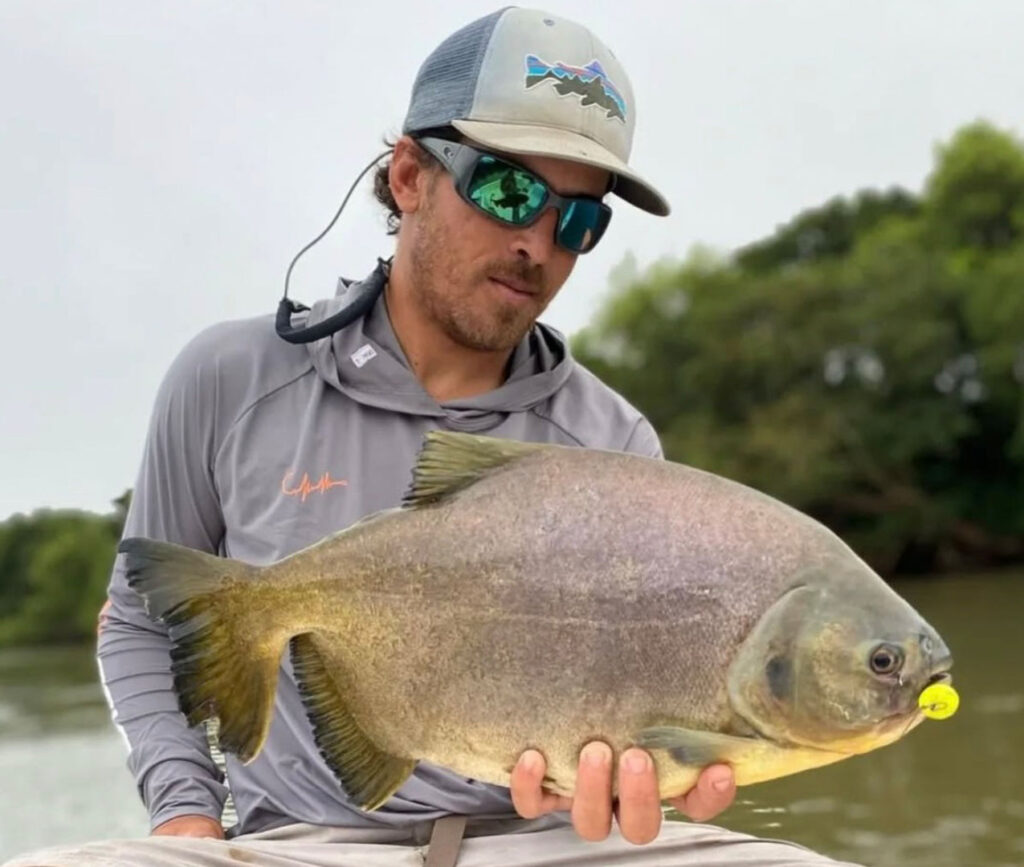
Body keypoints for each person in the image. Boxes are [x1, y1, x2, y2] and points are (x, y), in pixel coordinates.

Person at [6, 7, 861, 867]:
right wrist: (189, 816)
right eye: (509, 190)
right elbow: (139, 624)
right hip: (299, 846)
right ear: (410, 175)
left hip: (550, 841)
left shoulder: (612, 438)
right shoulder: (229, 378)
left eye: (578, 221)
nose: (537, 242)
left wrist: (634, 788)